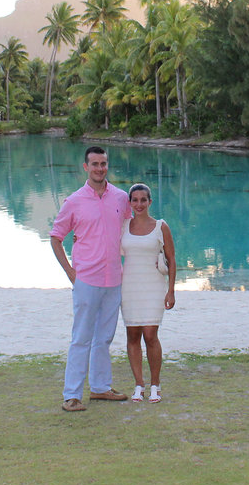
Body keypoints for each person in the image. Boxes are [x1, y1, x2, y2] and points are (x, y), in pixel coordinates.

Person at [50, 145, 132, 412]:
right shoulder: (74, 201)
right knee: (81, 338)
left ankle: (100, 388)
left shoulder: (121, 198)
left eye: (104, 163)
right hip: (86, 279)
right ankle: (71, 395)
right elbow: (56, 237)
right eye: (95, 164)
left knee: (104, 338)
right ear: (85, 167)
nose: (100, 168)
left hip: (114, 280)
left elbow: (131, 230)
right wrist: (70, 272)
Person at [120, 182, 176, 403]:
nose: (139, 204)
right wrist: (79, 239)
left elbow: (171, 261)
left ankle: (155, 385)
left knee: (151, 334)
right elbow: (103, 243)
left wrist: (171, 291)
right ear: (130, 203)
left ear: (150, 202)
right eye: (135, 200)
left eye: (143, 200)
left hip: (153, 286)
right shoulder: (123, 225)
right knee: (132, 336)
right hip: (129, 286)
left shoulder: (161, 226)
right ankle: (138, 385)